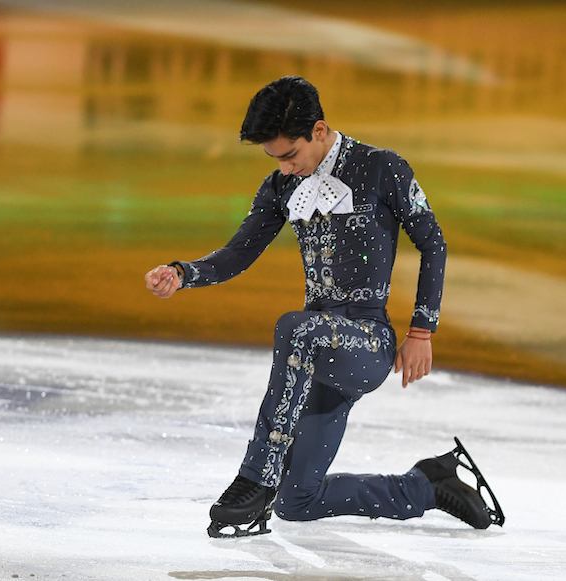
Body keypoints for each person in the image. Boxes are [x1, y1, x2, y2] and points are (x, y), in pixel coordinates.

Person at [143, 76, 503, 537]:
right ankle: (427, 486)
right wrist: (183, 273)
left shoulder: (382, 168)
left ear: (318, 130)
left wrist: (421, 331)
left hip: (366, 342)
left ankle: (256, 477)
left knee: (296, 327)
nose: (285, 168)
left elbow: (433, 244)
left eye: (290, 155)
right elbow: (240, 252)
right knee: (298, 502)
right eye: (274, 158)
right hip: (314, 354)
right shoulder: (280, 186)